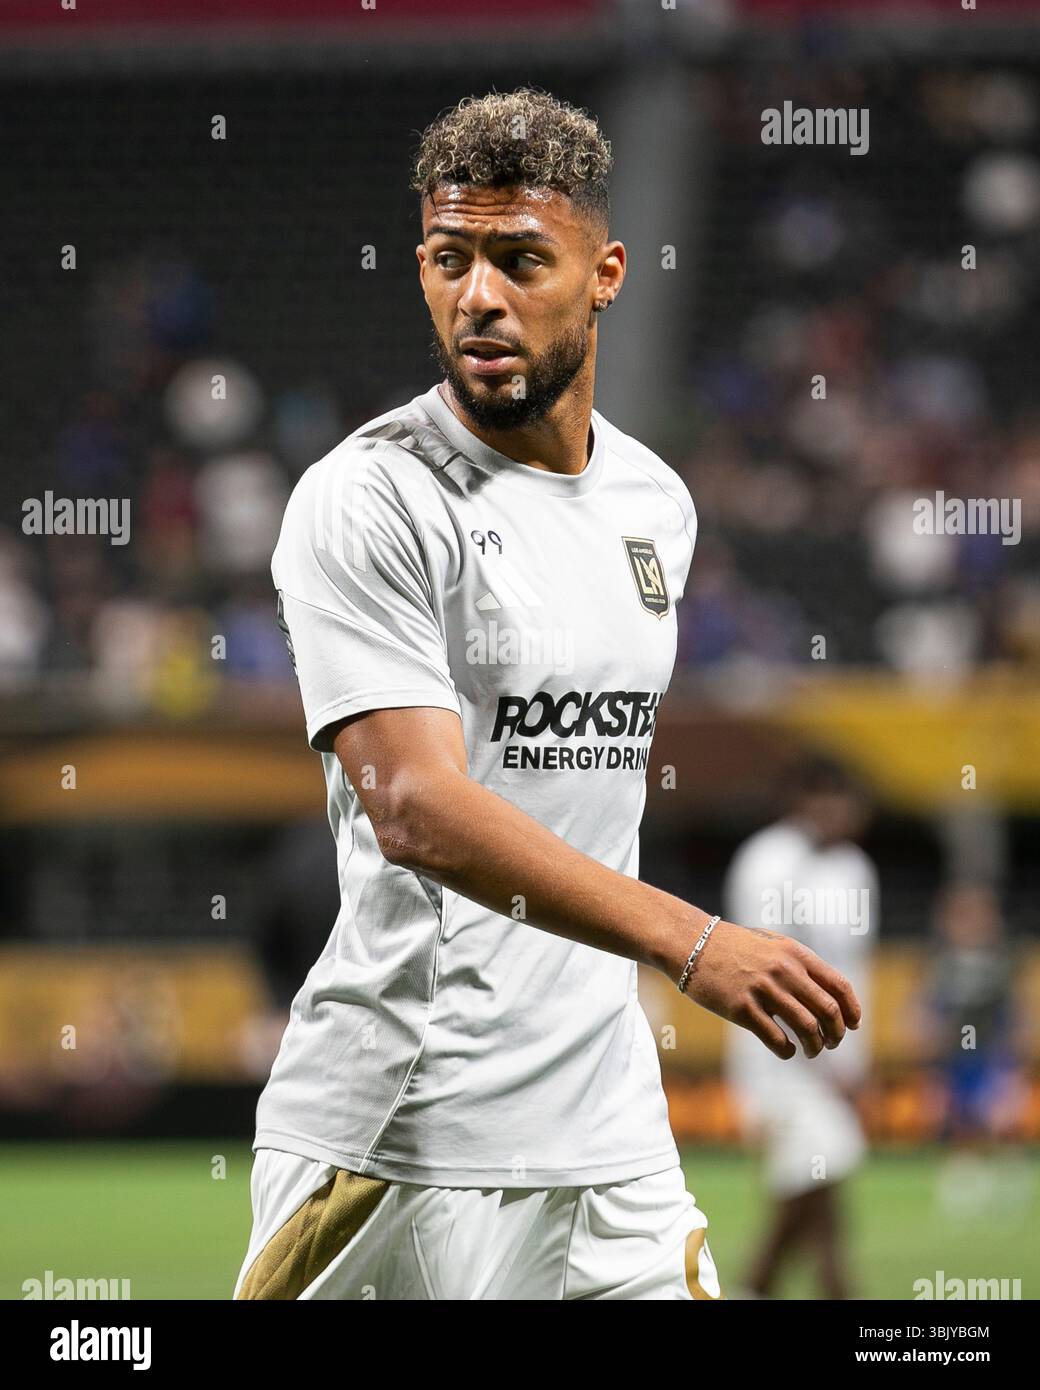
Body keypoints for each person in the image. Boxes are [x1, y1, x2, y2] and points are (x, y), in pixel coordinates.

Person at [234, 88, 861, 1302]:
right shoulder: (366, 499)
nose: (479, 296)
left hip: (608, 1134)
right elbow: (414, 806)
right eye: (448, 259)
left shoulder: (654, 506)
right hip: (399, 1139)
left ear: (605, 271)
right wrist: (691, 941)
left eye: (520, 259)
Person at [722, 757, 877, 1299]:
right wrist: (827, 1061)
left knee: (817, 1176)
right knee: (818, 1170)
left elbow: (855, 970)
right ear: (801, 802)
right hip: (781, 1053)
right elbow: (764, 968)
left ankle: (785, 1289)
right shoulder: (768, 861)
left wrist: (856, 1060)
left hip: (835, 1054)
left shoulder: (855, 867)